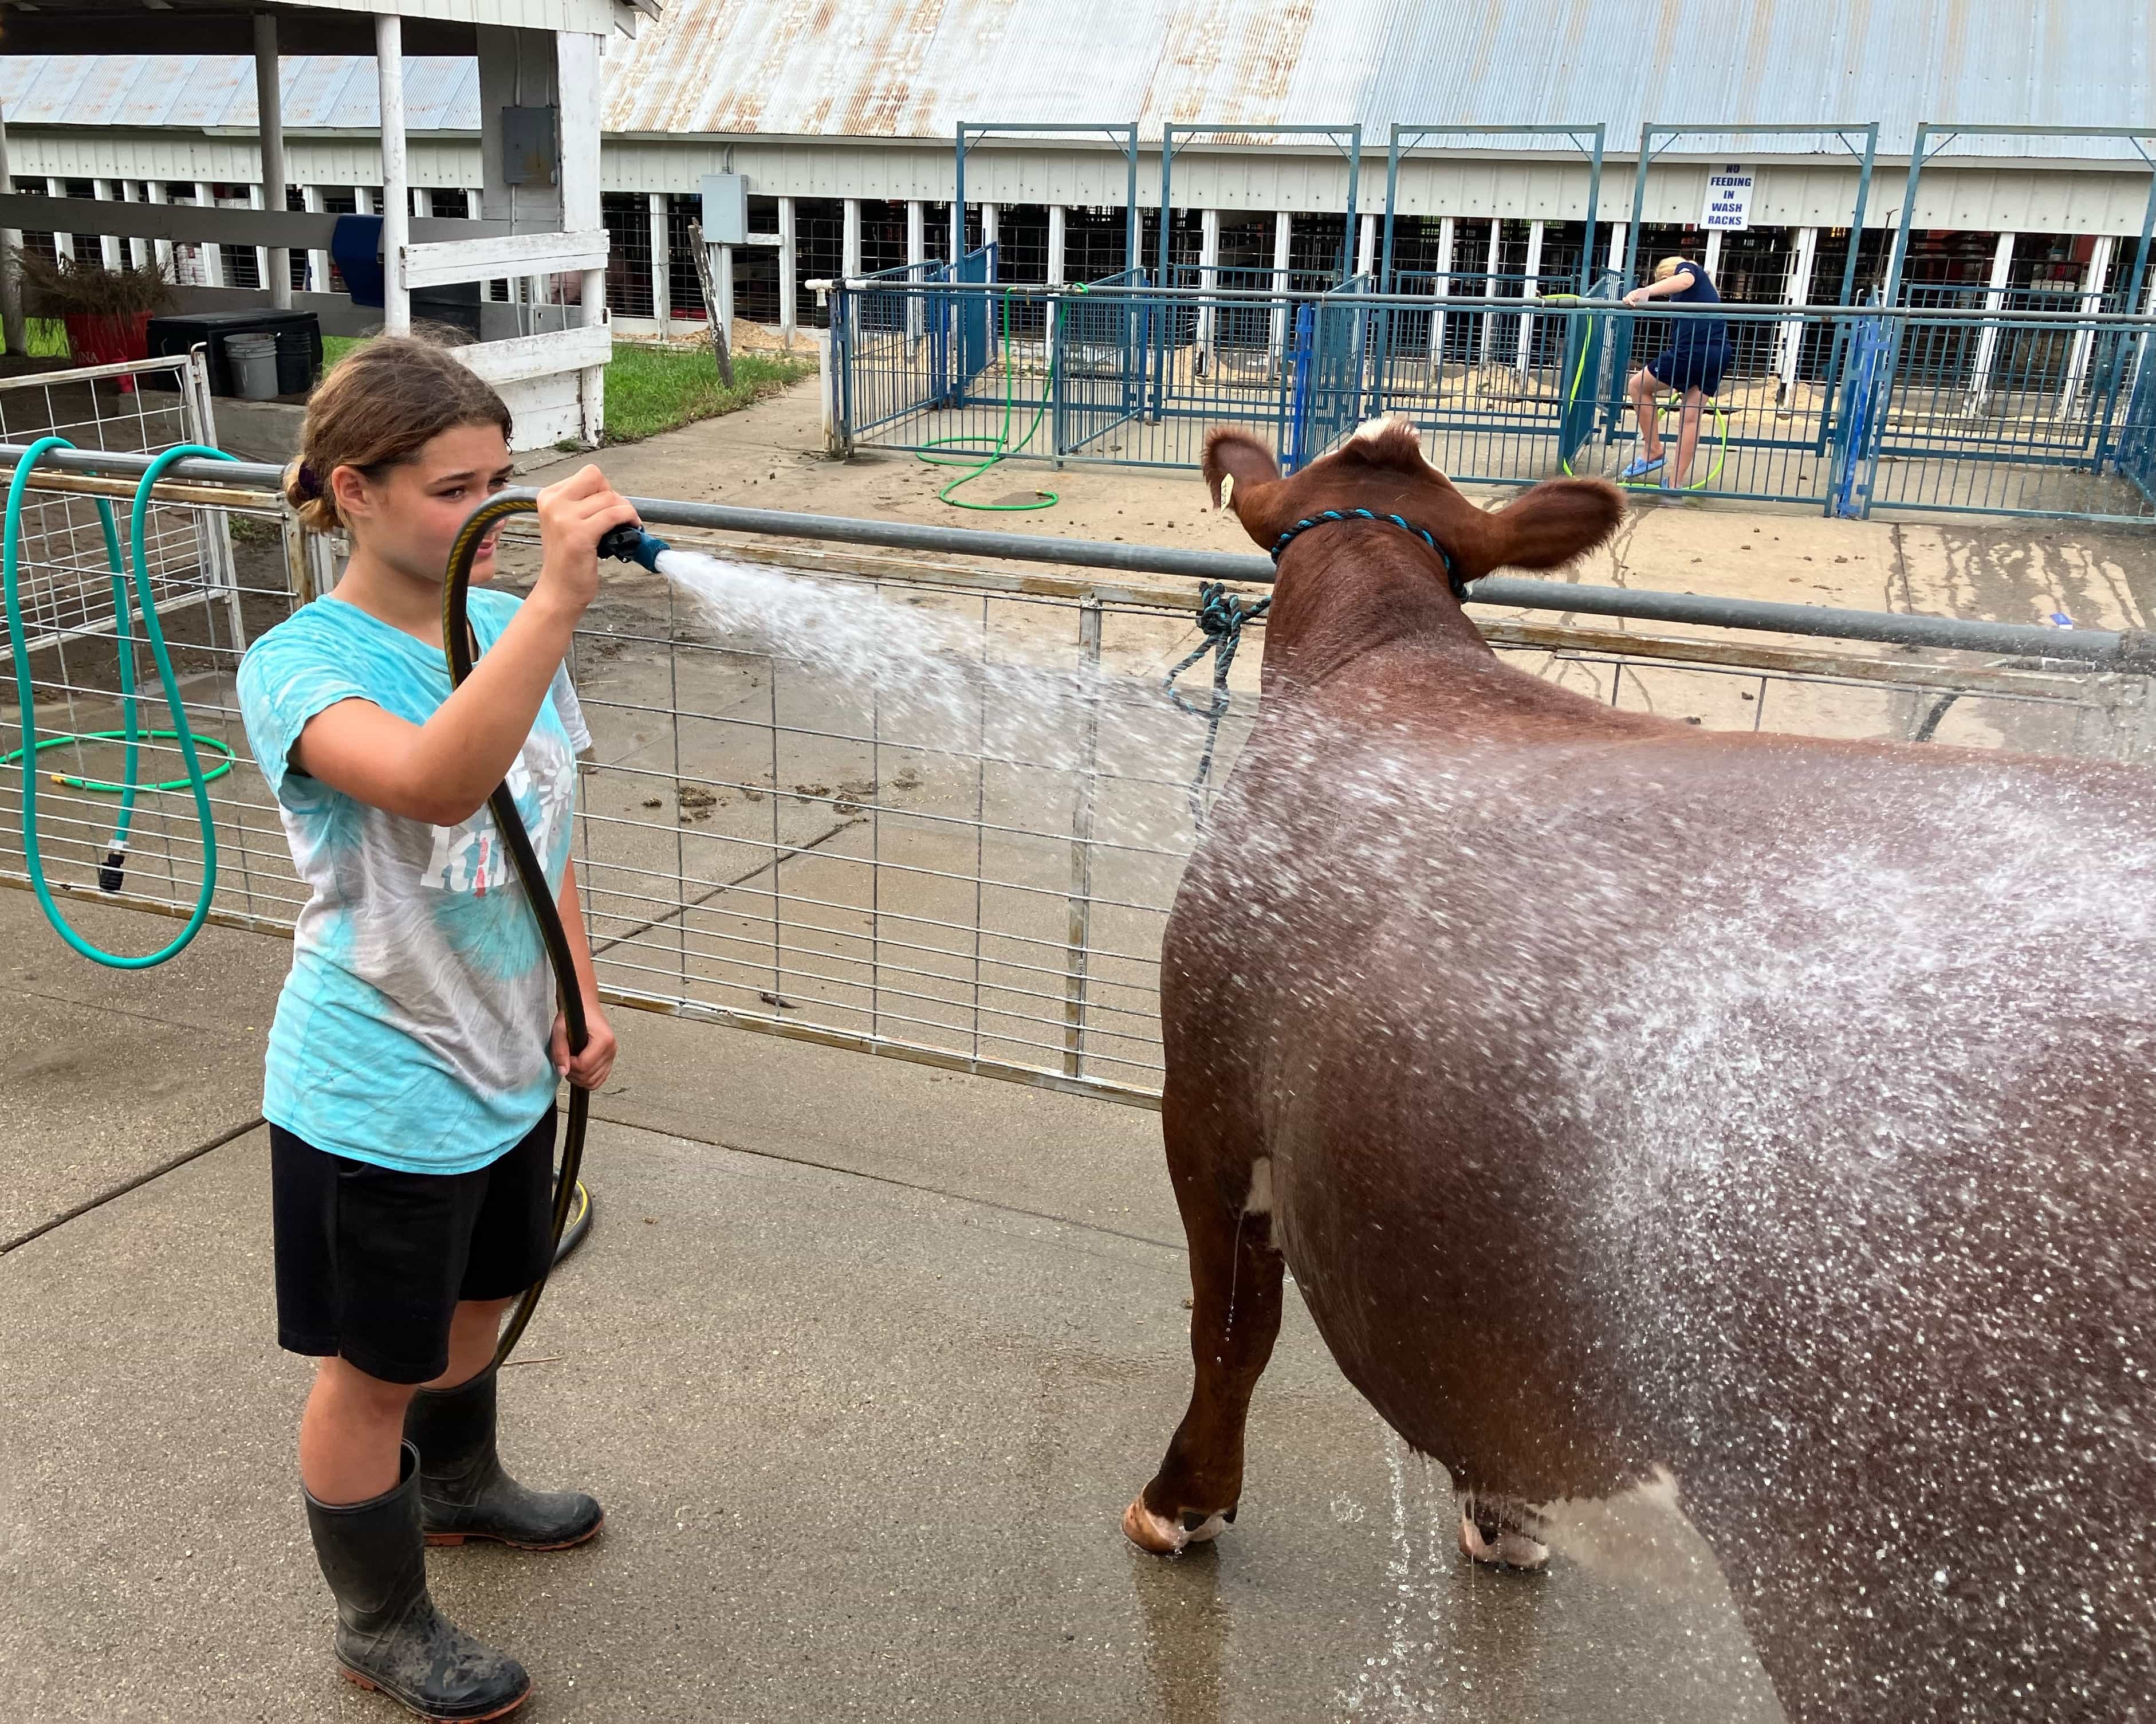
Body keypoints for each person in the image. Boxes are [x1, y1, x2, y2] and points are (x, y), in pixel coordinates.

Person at [236, 337, 638, 1721]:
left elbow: (545, 824)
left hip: (505, 1063)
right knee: (372, 1368)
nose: (488, 512)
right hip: (375, 1082)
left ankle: (457, 1483)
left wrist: (578, 987)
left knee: (485, 1294)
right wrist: (548, 607)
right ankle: (381, 1618)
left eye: (502, 481)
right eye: (450, 487)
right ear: (352, 489)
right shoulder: (299, 664)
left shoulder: (508, 624)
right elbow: (433, 781)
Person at [1620, 254, 1732, 488]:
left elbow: (1684, 280)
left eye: (1663, 281)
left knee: (1637, 386)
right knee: (1690, 418)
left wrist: (1647, 290)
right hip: (1718, 354)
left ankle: (1653, 450)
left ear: (1668, 274)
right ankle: (1674, 483)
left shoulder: (1689, 269)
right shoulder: (1703, 293)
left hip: (1692, 352)